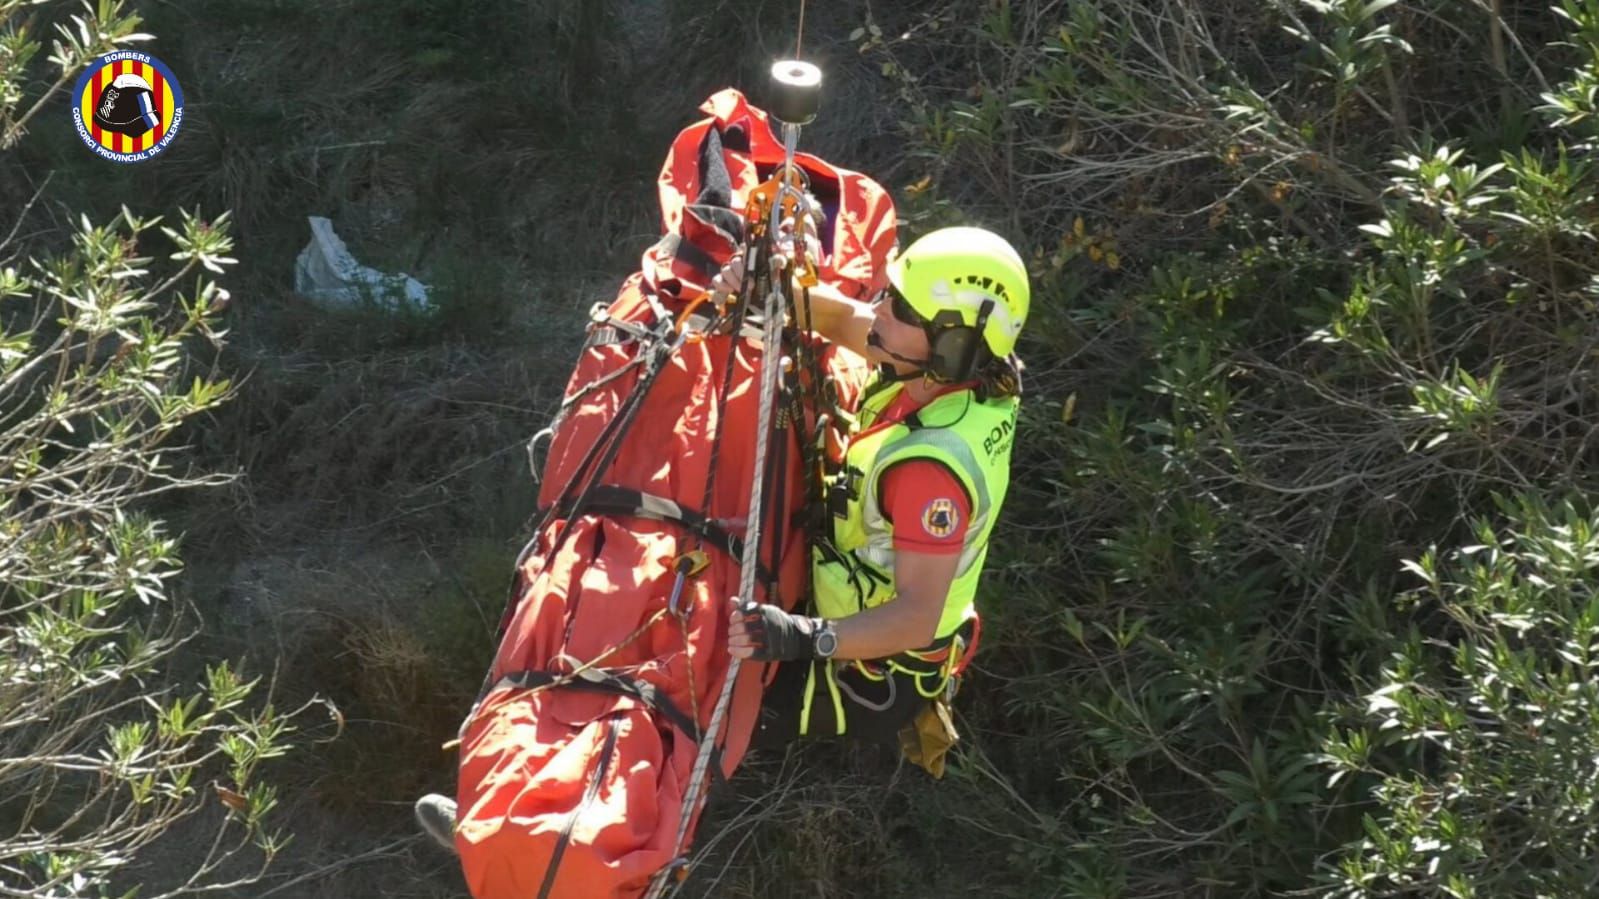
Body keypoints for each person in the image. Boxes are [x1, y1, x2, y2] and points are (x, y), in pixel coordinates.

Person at [723, 225, 1028, 759]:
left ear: (954, 346)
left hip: (872, 669)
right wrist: (764, 291)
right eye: (890, 295)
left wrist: (798, 637)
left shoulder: (930, 476)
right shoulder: (935, 371)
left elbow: (916, 618)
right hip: (851, 587)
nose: (881, 309)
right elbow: (843, 317)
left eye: (902, 310)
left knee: (711, 706)